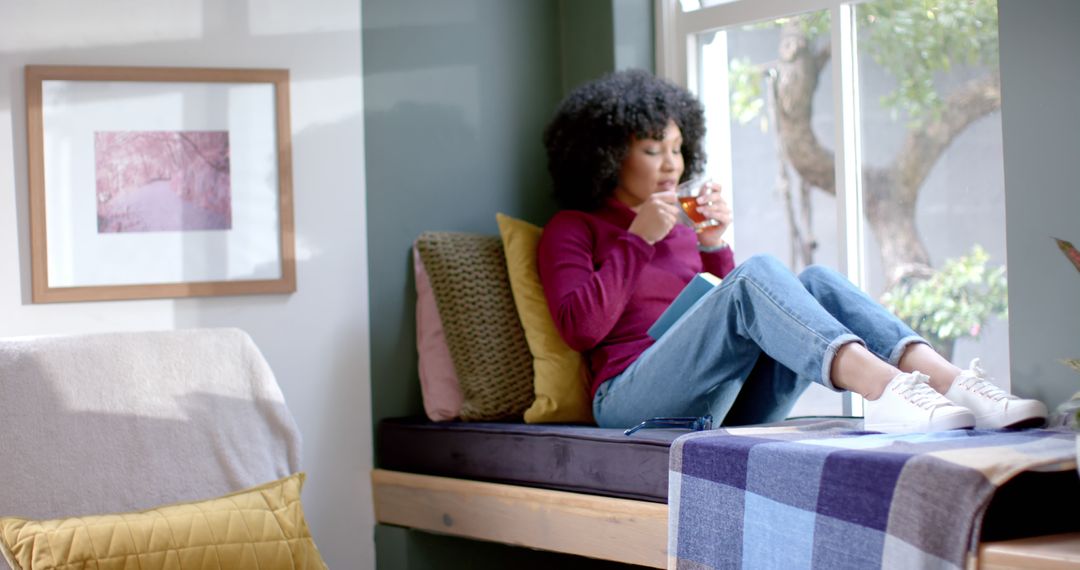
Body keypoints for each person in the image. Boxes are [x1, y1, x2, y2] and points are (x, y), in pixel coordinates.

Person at [536, 69, 1047, 433]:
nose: (671, 163)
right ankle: (886, 391)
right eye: (652, 150)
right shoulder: (574, 228)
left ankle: (955, 385)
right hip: (631, 399)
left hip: (727, 401)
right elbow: (581, 327)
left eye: (676, 148)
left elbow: (726, 311)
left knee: (819, 280)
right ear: (606, 155)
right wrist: (638, 239)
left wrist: (712, 245)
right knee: (758, 274)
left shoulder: (678, 226)